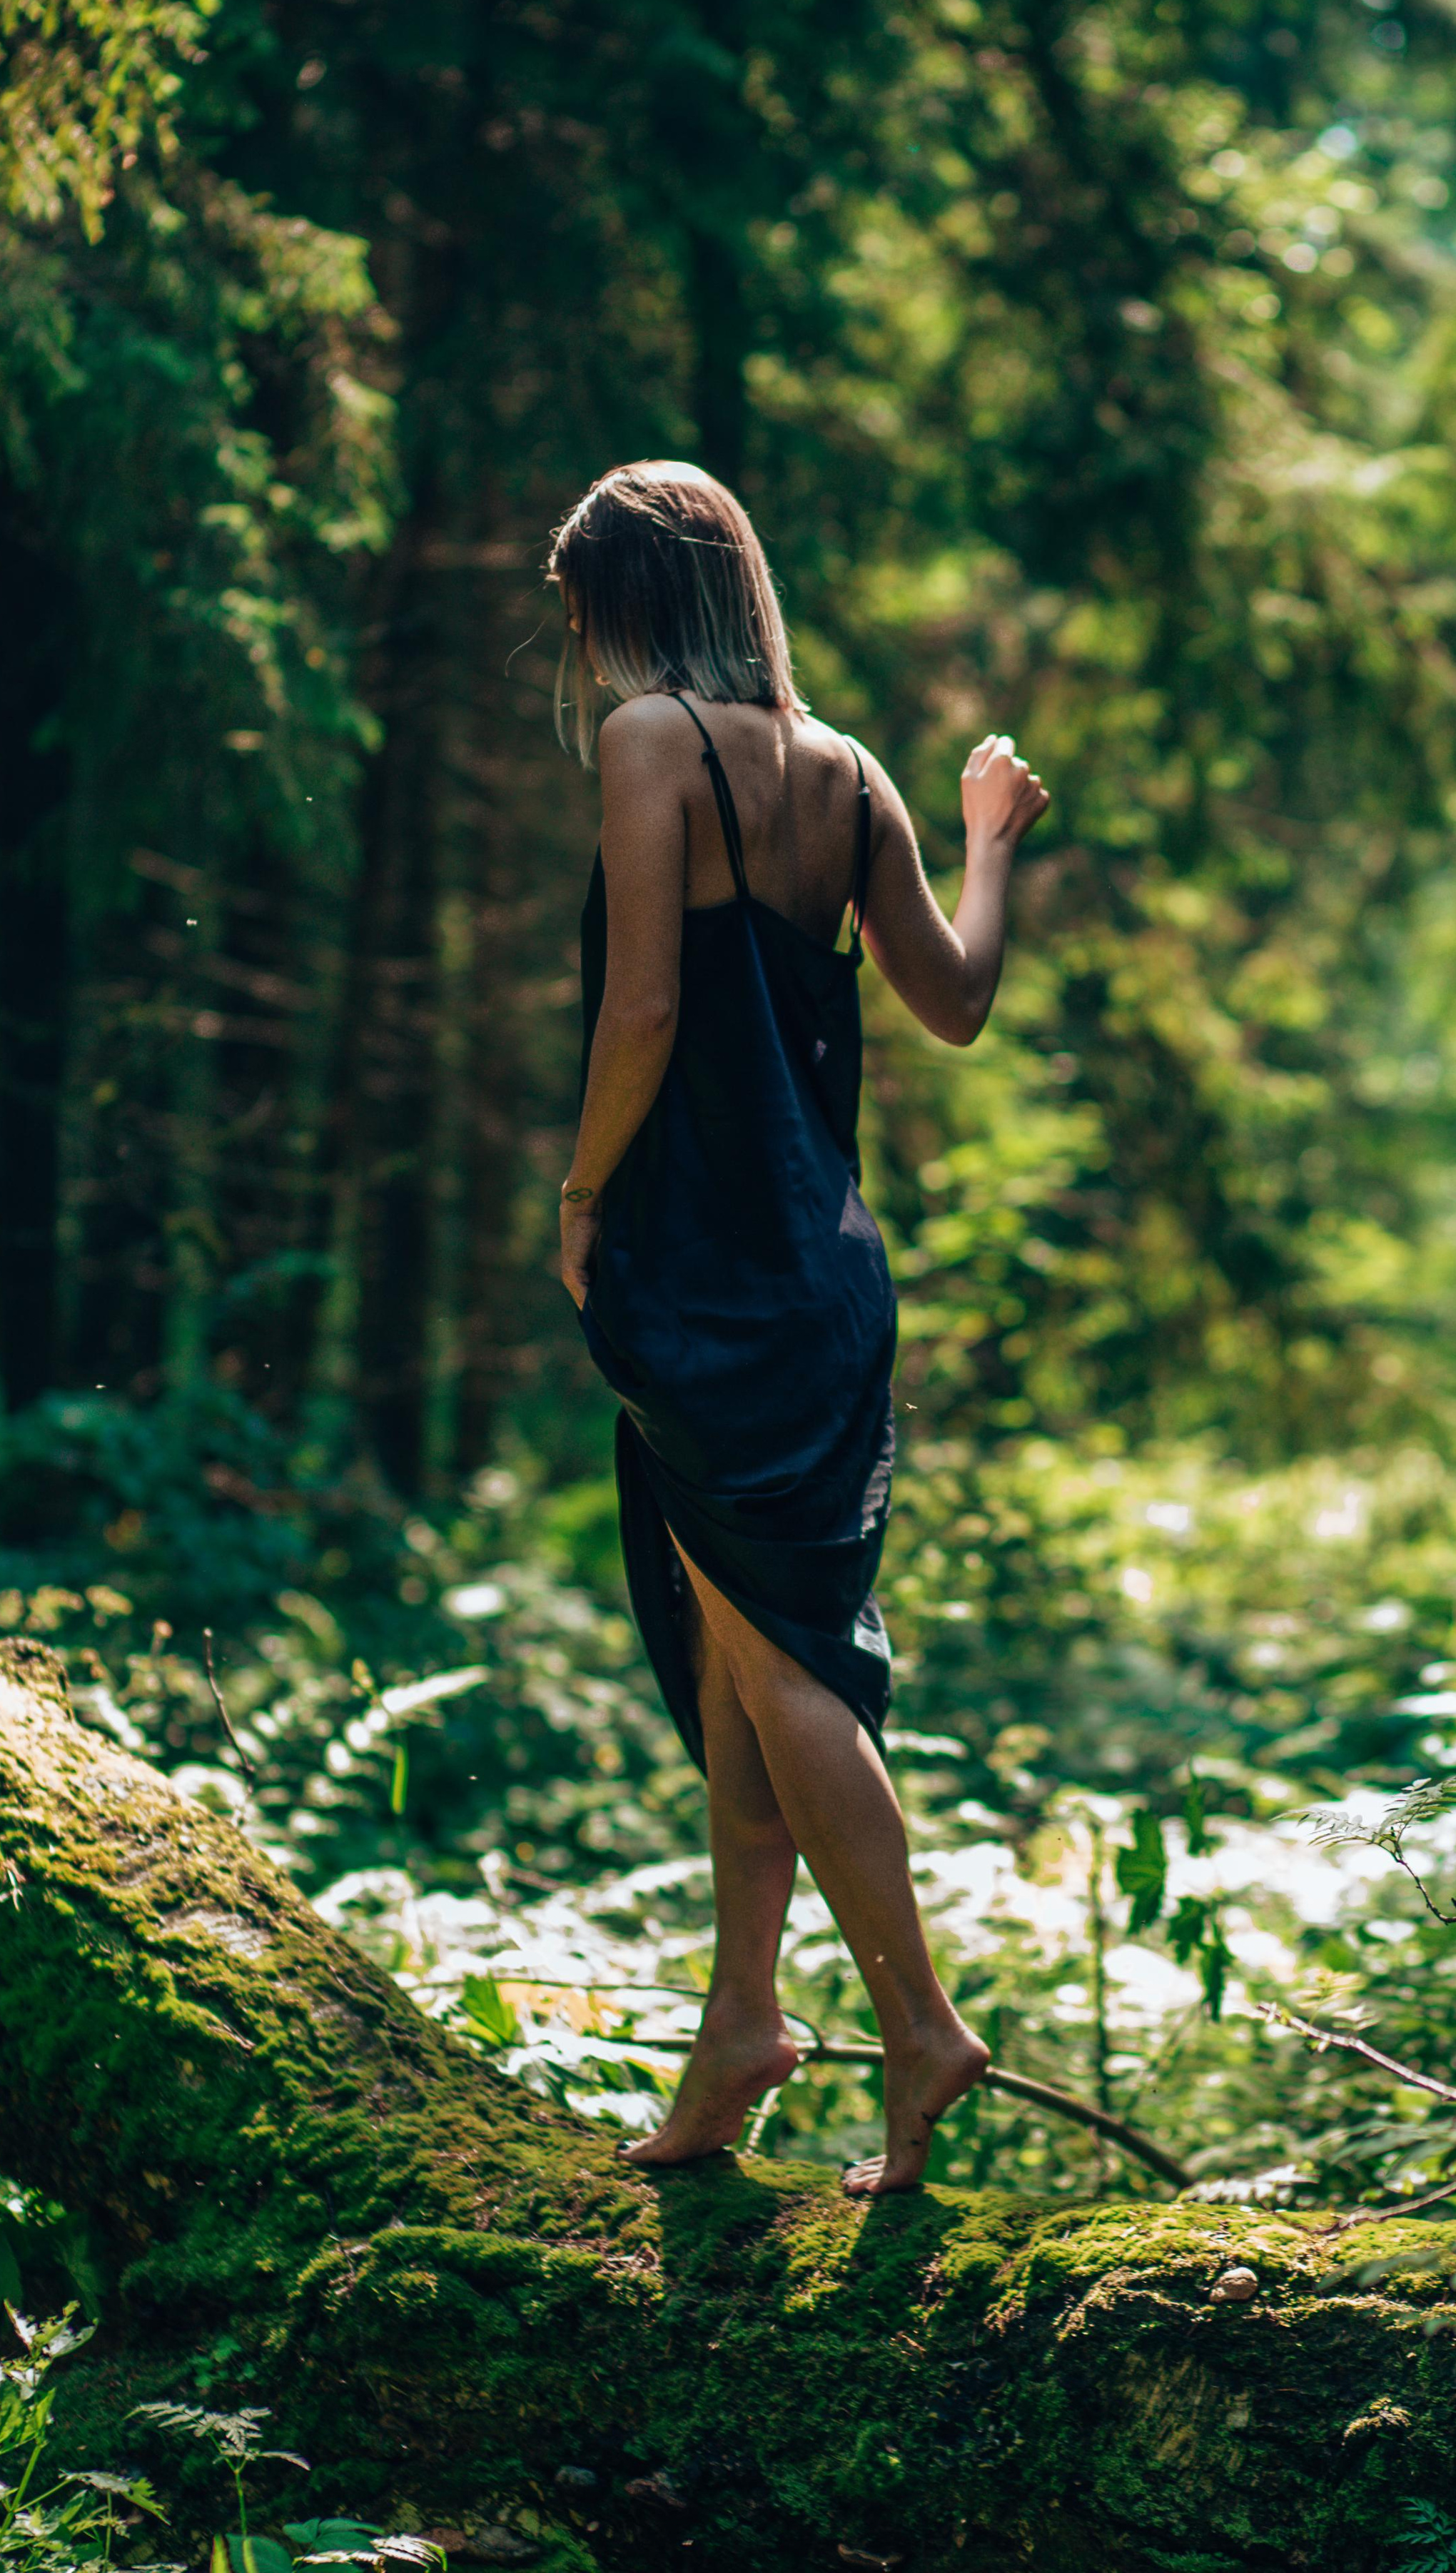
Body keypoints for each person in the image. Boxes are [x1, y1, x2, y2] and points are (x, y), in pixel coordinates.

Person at [550, 460, 1048, 2195]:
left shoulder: (647, 744)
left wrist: (580, 1197)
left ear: (633, 602)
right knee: (734, 1658)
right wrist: (985, 847)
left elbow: (643, 1007)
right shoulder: (845, 772)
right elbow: (954, 1001)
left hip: (705, 1277)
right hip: (826, 1282)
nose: (584, 649)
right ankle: (741, 2026)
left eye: (585, 613)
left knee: (778, 1663)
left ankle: (917, 2024)